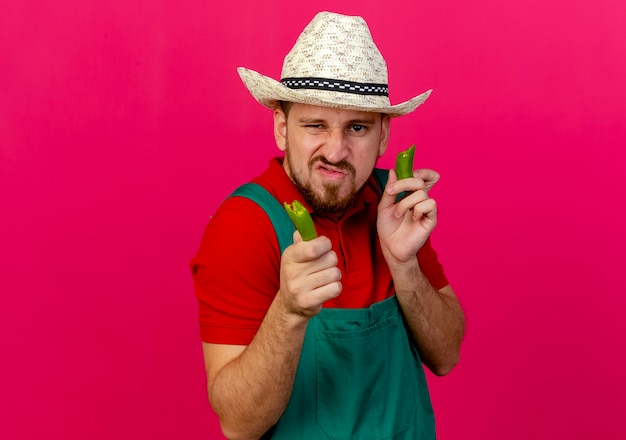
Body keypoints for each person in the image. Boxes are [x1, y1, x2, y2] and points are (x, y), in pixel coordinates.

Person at [191, 11, 465, 439]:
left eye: (357, 127)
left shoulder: (393, 202)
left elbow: (447, 355)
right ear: (282, 127)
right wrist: (289, 312)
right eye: (315, 125)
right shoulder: (243, 226)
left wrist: (404, 263)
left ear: (384, 135)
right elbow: (238, 424)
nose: (336, 152)